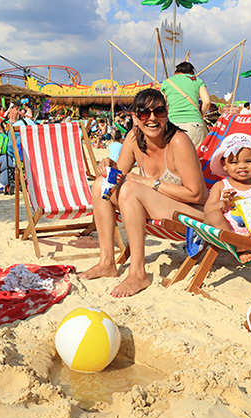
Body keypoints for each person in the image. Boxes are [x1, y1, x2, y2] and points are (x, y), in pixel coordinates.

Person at [79, 88, 207, 297]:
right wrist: (109, 165)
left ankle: (138, 273)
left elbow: (197, 195)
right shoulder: (134, 138)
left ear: (167, 113)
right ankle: (107, 263)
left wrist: (149, 182)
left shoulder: (178, 141)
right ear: (135, 118)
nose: (153, 118)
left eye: (159, 111)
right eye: (145, 113)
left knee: (130, 188)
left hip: (193, 214)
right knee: (101, 183)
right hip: (158, 207)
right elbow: (119, 176)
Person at [203, 133, 251, 263]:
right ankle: (237, 245)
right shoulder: (220, 186)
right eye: (234, 162)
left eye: (248, 161)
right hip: (226, 233)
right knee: (213, 216)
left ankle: (244, 247)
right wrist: (223, 204)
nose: (242, 166)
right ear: (224, 165)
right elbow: (207, 210)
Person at [160, 62, 211, 148]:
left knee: (174, 156)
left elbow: (160, 104)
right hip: (195, 124)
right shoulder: (197, 80)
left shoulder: (167, 82)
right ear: (191, 72)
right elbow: (207, 101)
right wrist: (201, 114)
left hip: (173, 123)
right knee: (195, 157)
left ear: (176, 73)